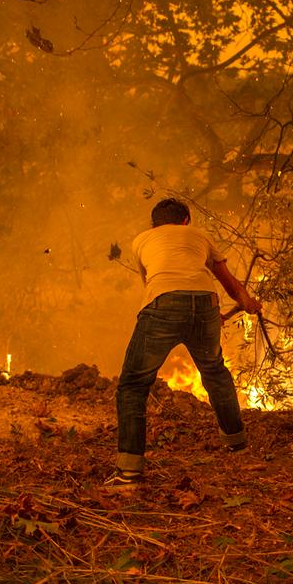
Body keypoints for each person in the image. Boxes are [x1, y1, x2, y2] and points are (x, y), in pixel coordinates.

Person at [107, 198, 262, 491]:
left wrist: (180, 309)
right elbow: (229, 283)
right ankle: (237, 445)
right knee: (215, 373)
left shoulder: (142, 240)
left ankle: (128, 473)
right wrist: (247, 303)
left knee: (133, 385)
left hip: (162, 303)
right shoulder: (200, 236)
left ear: (154, 224)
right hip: (204, 301)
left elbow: (157, 284)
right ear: (186, 221)